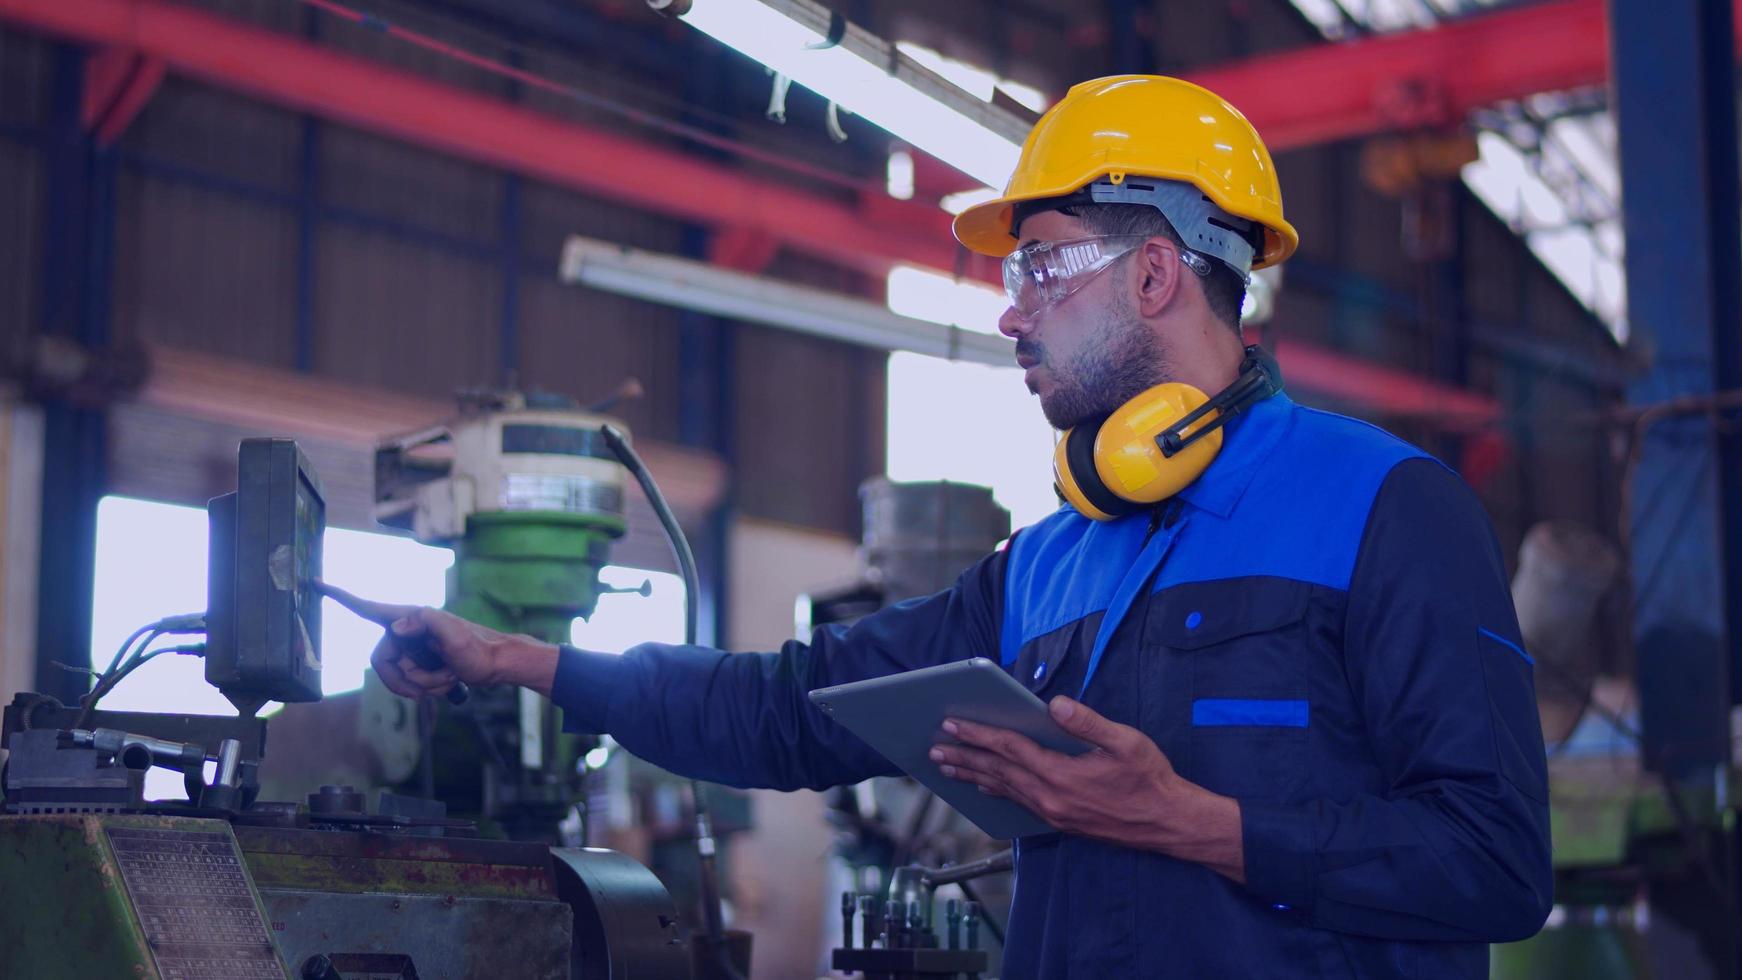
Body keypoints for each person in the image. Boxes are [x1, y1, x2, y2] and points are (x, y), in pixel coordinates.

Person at [325, 75, 1552, 977]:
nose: (1012, 316)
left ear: (1155, 273)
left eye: (1039, 268)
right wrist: (522, 659)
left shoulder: (1384, 507)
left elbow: (1494, 861)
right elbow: (786, 706)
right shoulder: (1048, 562)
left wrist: (1199, 824)